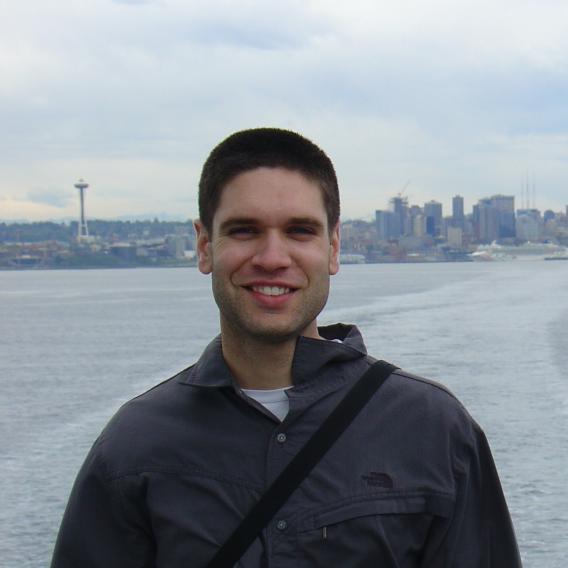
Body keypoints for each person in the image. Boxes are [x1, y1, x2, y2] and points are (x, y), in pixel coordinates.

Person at [51, 128, 522, 567]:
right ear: (203, 246)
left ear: (334, 247)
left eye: (300, 231)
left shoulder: (435, 432)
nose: (273, 258)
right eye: (243, 230)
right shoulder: (134, 448)